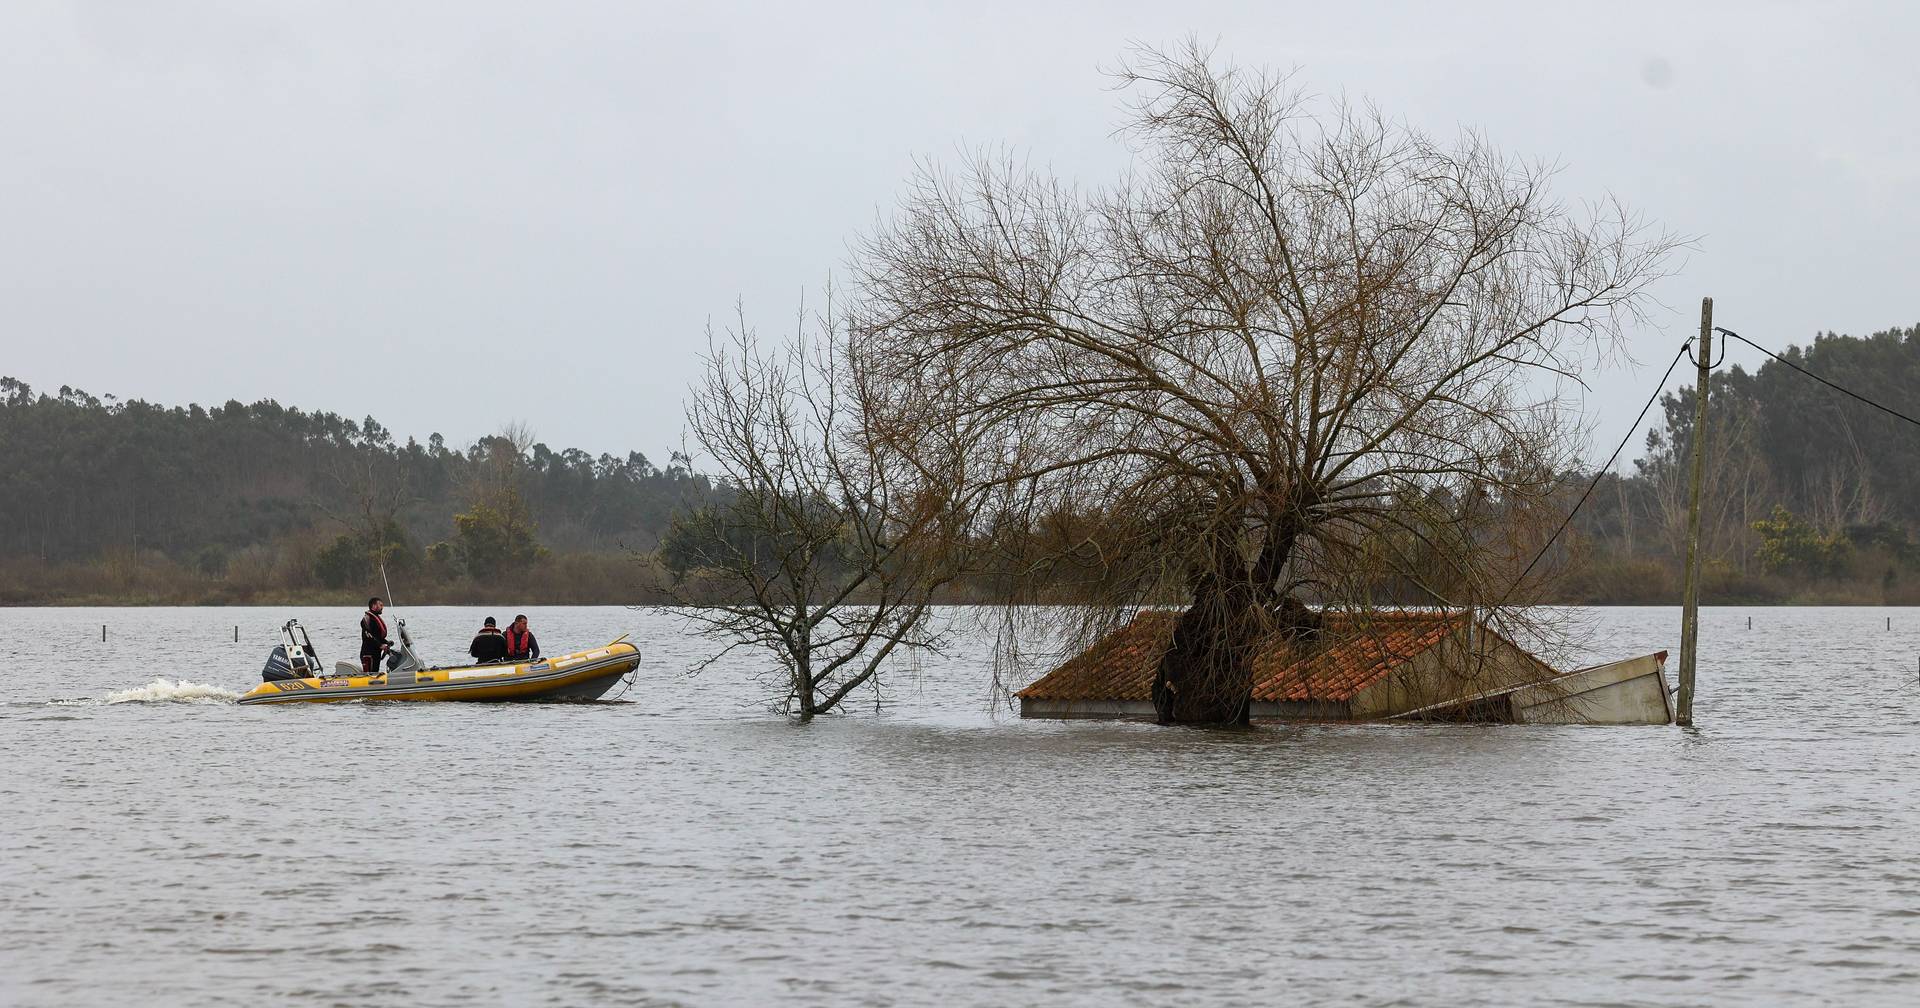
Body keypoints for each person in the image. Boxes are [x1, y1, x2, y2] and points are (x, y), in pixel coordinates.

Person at [359, 597, 392, 676]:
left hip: (376, 653)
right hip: (368, 653)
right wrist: (380, 645)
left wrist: (387, 642)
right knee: (370, 675)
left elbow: (378, 636)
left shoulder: (375, 618)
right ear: (374, 606)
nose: (382, 607)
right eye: (380, 605)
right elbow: (368, 635)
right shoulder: (367, 619)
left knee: (375, 673)